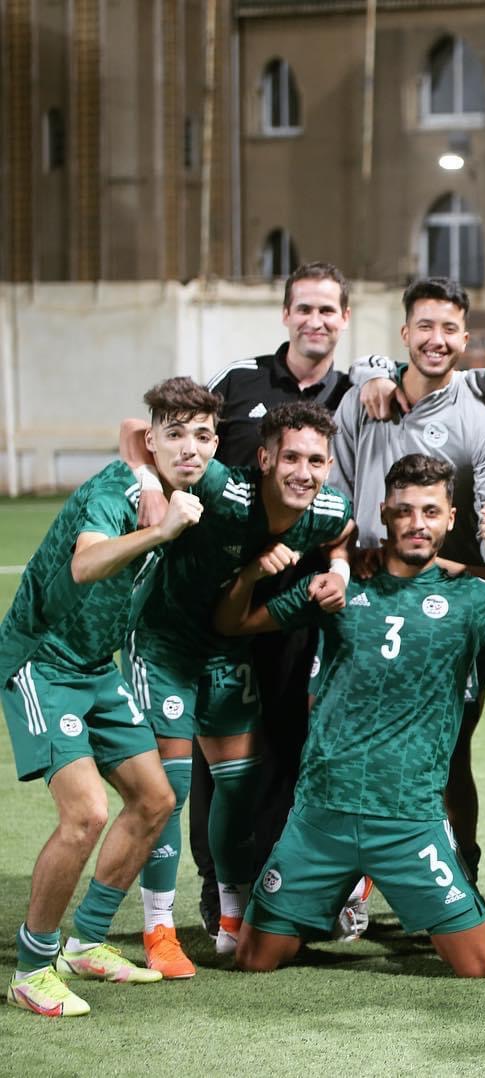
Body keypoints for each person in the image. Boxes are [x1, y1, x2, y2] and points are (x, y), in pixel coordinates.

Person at [213, 454, 485, 977]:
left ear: (450, 519)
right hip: (322, 813)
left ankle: (364, 887)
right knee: (255, 961)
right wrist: (255, 572)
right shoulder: (342, 584)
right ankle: (336, 892)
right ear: (384, 514)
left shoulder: (471, 598)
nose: (418, 523)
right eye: (405, 510)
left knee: (478, 965)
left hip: (409, 820)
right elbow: (233, 623)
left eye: (431, 512)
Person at [2, 378, 219, 1017]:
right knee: (86, 815)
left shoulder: (176, 472)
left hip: (97, 667)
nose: (190, 448)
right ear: (153, 441)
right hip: (42, 661)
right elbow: (85, 565)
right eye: (174, 435)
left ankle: (87, 943)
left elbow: (135, 426)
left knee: (155, 798)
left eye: (202, 436)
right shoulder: (114, 492)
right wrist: (161, 525)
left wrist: (157, 477)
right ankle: (32, 968)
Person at [158, 262, 359, 943]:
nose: (316, 320)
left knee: (292, 745)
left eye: (328, 310)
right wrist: (155, 495)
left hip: (297, 607)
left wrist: (338, 565)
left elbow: (342, 519)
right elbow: (174, 443)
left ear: (345, 318)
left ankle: (282, 885)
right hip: (217, 607)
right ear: (285, 314)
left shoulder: (356, 391)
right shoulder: (238, 381)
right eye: (305, 308)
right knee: (217, 755)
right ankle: (218, 884)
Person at [125, 402, 353, 973]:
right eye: (291, 458)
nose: (303, 472)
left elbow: (344, 532)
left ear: (330, 466)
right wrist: (148, 481)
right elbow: (134, 430)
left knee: (238, 786)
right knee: (168, 792)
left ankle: (232, 919)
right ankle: (159, 928)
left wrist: (339, 569)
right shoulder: (226, 488)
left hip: (226, 647)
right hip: (163, 641)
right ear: (265, 459)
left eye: (316, 461)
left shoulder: (329, 507)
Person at [331, 283, 485, 878]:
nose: (436, 340)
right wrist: (345, 556)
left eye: (449, 329)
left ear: (465, 339)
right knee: (344, 734)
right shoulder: (362, 402)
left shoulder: (481, 425)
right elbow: (333, 498)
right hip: (361, 594)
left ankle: (462, 869)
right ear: (405, 334)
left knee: (449, 746)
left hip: (441, 604)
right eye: (425, 326)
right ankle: (351, 883)